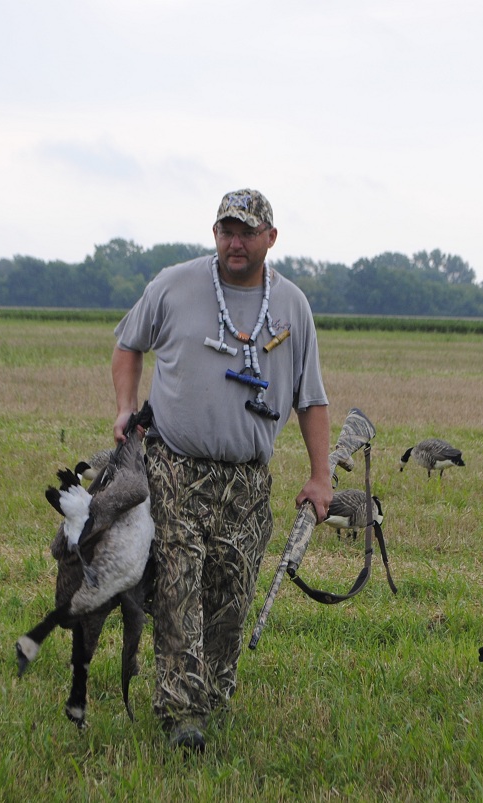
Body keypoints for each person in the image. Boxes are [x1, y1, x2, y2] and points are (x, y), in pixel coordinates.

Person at [110, 188, 332, 752]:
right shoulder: (174, 286)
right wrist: (124, 407)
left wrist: (320, 474)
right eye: (225, 230)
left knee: (230, 596)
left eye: (246, 232)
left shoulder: (292, 307)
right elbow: (127, 344)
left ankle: (211, 693)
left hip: (248, 480)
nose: (235, 242)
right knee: (178, 582)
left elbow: (311, 400)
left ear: (270, 238)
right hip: (174, 467)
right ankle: (182, 713)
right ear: (215, 234)